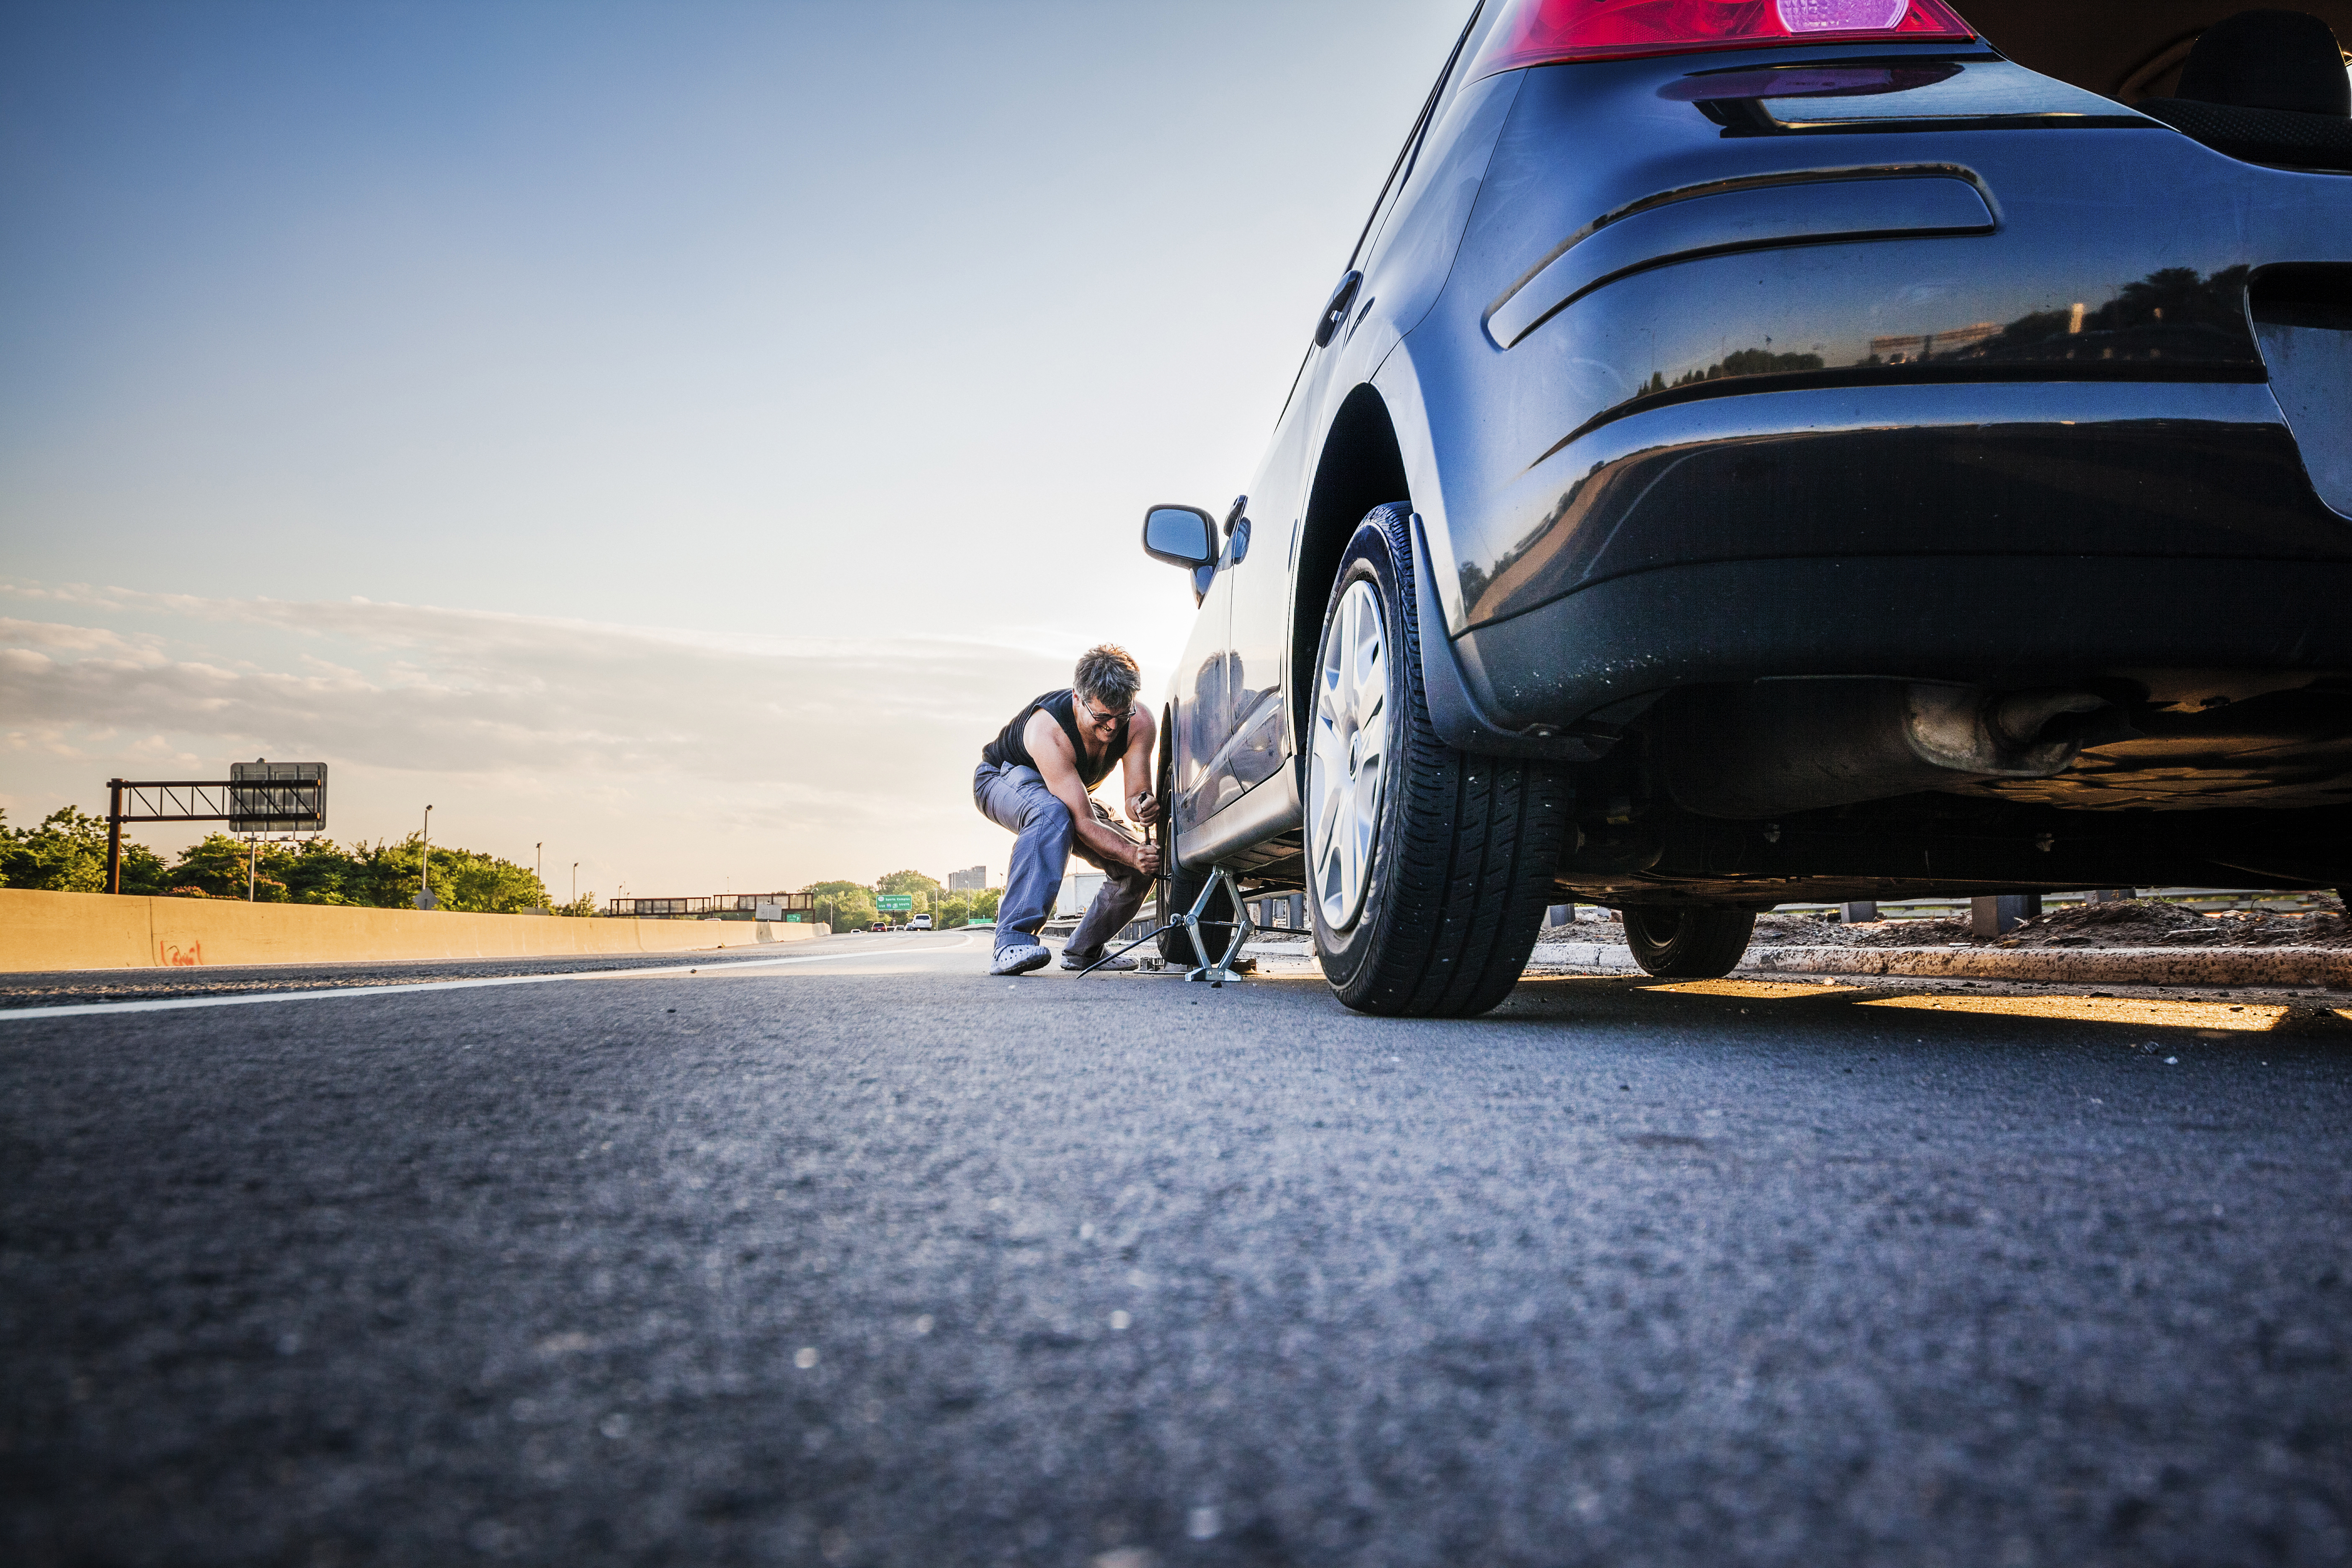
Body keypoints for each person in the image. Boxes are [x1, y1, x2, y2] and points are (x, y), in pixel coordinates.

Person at [974, 645, 1162, 976]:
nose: (1112, 728)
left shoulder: (1140, 723)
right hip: (1002, 778)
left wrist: (1142, 806)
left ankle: (1085, 951)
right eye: (1102, 718)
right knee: (1052, 815)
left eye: (1122, 715)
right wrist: (1131, 853)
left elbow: (1135, 797)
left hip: (1069, 792)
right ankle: (1011, 940)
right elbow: (1084, 822)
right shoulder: (1048, 730)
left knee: (1140, 865)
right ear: (1078, 698)